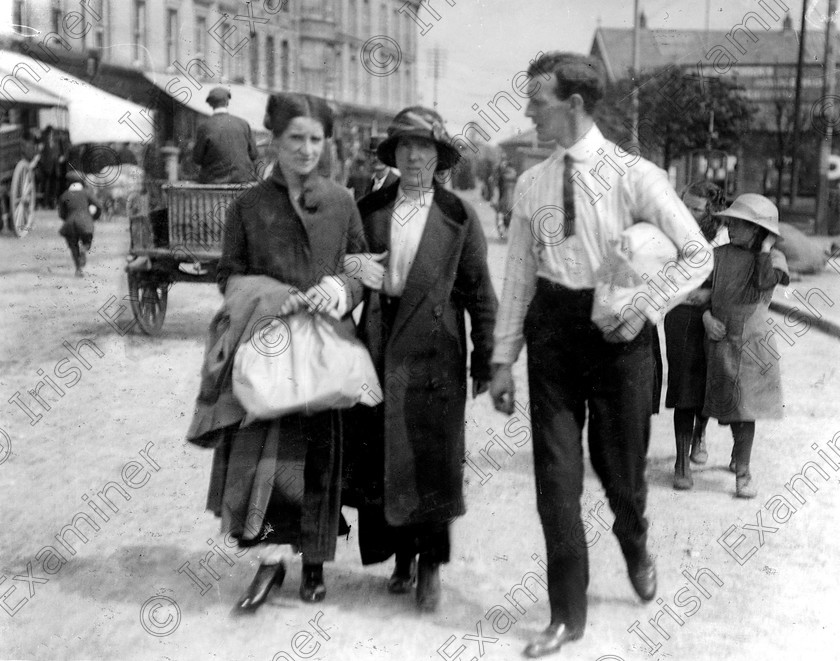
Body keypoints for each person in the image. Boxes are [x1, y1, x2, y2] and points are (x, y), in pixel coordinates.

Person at [487, 52, 713, 658]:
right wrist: (503, 358)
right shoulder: (533, 183)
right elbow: (516, 279)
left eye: (538, 101)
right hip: (555, 334)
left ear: (575, 104)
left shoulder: (635, 175)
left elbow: (698, 253)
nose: (529, 111)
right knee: (556, 482)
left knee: (621, 474)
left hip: (621, 341)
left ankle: (634, 537)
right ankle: (567, 615)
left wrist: (647, 304)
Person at [186, 92, 368, 613]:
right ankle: (269, 562)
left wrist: (342, 290)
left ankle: (314, 563)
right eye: (296, 139)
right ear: (273, 140)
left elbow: (359, 264)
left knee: (317, 456)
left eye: (316, 139)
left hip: (322, 350)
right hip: (266, 350)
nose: (307, 150)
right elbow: (229, 275)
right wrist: (271, 296)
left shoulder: (341, 200)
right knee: (266, 457)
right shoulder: (248, 205)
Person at [346, 106, 497, 612]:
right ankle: (401, 558)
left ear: (438, 157)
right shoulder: (369, 209)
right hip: (381, 343)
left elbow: (480, 294)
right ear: (394, 154)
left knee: (432, 459)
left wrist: (485, 363)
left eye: (425, 147)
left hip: (438, 349)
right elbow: (346, 275)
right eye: (405, 147)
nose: (415, 156)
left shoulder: (458, 216)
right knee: (388, 455)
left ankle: (430, 564)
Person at [702, 194, 789, 499]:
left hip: (753, 344)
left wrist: (764, 249)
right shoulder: (720, 254)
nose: (731, 227)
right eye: (730, 222)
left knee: (746, 409)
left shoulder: (774, 259)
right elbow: (702, 291)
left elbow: (765, 283)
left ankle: (743, 472)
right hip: (721, 337)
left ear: (759, 230)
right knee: (724, 404)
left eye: (740, 224)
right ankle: (726, 453)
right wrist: (705, 316)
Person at [665, 181, 727, 489]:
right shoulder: (670, 230)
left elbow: (730, 279)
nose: (687, 212)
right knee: (684, 381)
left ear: (712, 212)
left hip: (715, 312)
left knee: (707, 380)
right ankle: (680, 461)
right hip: (681, 313)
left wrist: (710, 296)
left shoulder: (724, 238)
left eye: (696, 208)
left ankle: (699, 435)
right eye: (684, 204)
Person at [192, 87, 258, 183]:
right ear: (227, 103)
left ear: (210, 104)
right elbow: (254, 154)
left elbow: (197, 159)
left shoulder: (204, 127)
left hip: (213, 182)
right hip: (243, 181)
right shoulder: (243, 123)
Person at [57, 171, 101, 277]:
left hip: (70, 223)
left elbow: (61, 214)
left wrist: (68, 218)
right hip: (85, 222)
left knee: (73, 246)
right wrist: (94, 217)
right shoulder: (86, 193)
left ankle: (78, 269)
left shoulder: (65, 195)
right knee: (87, 241)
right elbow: (98, 206)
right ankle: (84, 249)